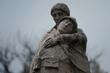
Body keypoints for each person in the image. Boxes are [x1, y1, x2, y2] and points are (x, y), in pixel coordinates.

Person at [30, 3, 90, 73]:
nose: (57, 17)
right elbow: (38, 51)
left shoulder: (75, 30)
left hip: (65, 66)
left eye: (60, 14)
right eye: (54, 15)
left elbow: (81, 38)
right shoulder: (48, 33)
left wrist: (59, 38)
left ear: (66, 15)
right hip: (45, 67)